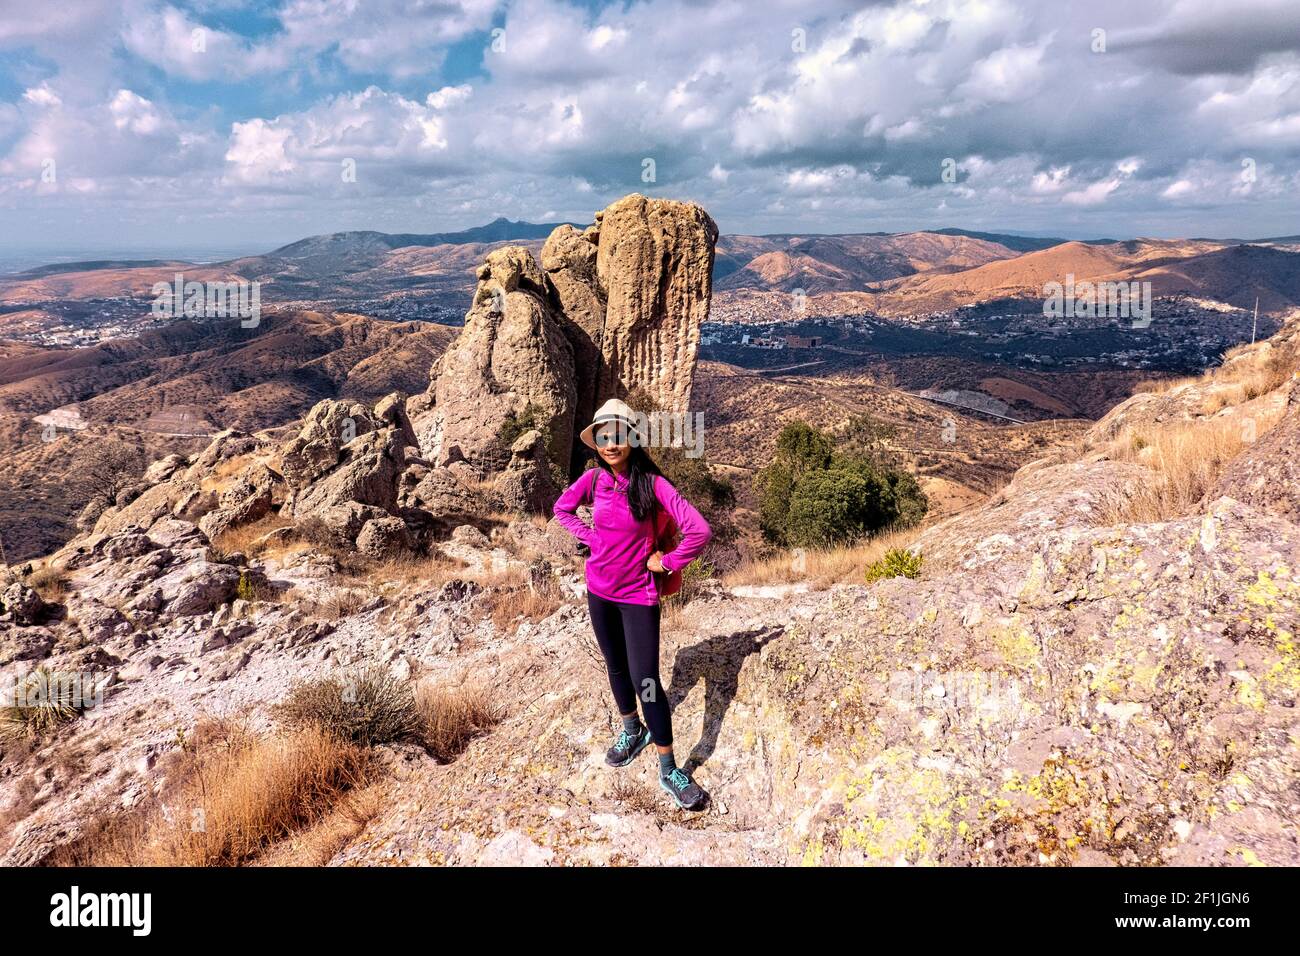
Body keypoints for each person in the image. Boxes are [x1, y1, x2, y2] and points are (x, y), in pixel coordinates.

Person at [552, 399, 713, 810]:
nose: (610, 443)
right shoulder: (592, 480)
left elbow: (699, 529)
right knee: (615, 666)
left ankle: (669, 769)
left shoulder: (654, 485)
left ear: (632, 439)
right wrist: (589, 537)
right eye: (603, 435)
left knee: (648, 682)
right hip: (598, 591)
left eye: (618, 434)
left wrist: (667, 561)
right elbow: (561, 509)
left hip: (637, 598)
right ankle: (632, 730)